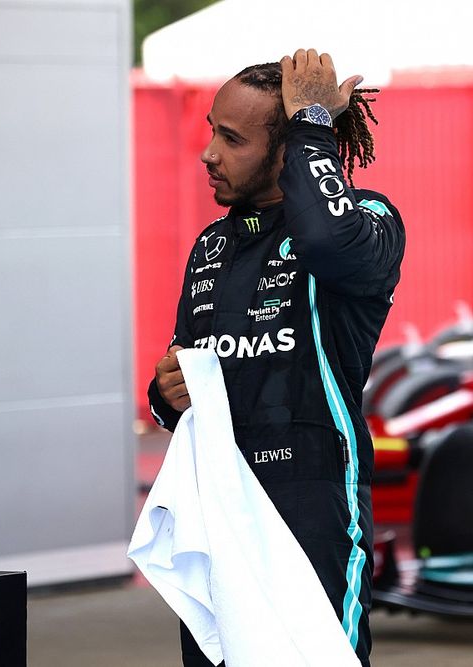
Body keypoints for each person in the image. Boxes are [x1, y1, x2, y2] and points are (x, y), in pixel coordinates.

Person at [148, 49, 405, 666]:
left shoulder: (369, 219)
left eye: (231, 138)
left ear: (289, 148)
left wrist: (312, 122)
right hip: (220, 507)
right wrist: (165, 393)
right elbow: (185, 377)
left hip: (312, 501)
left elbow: (328, 240)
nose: (208, 153)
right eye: (212, 130)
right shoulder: (213, 243)